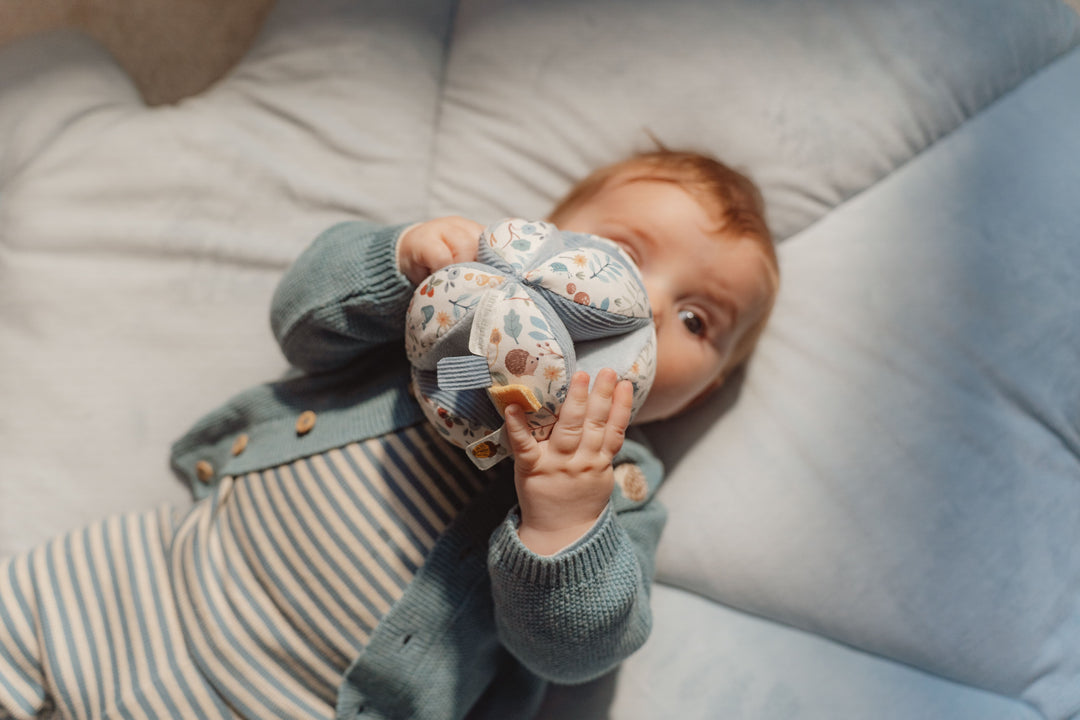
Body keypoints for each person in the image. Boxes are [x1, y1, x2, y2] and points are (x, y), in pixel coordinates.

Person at [0, 150, 779, 720]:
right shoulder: (442, 328)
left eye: (695, 319)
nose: (640, 304)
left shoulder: (618, 490)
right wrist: (397, 264)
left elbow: (578, 653)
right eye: (625, 255)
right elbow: (298, 323)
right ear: (538, 238)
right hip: (152, 577)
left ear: (699, 393)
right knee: (19, 603)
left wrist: (565, 521)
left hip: (298, 700)